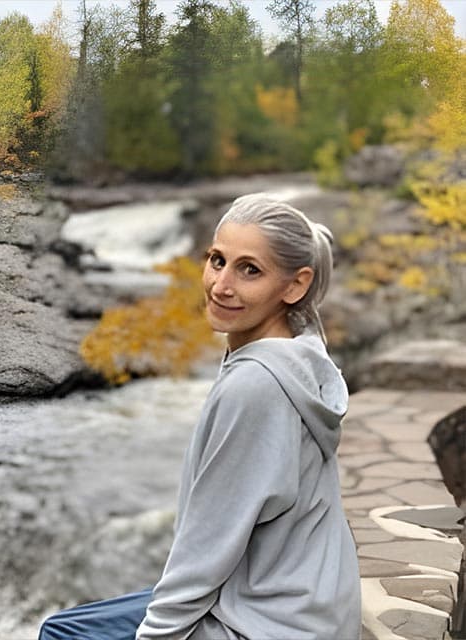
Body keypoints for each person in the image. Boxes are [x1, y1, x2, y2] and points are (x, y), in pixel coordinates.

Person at [39, 194, 361, 640]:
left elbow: (209, 544)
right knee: (67, 624)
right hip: (311, 600)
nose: (220, 286)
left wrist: (157, 636)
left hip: (274, 622)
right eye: (217, 260)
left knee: (64, 636)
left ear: (295, 285)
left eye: (250, 270)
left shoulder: (255, 386)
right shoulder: (300, 351)